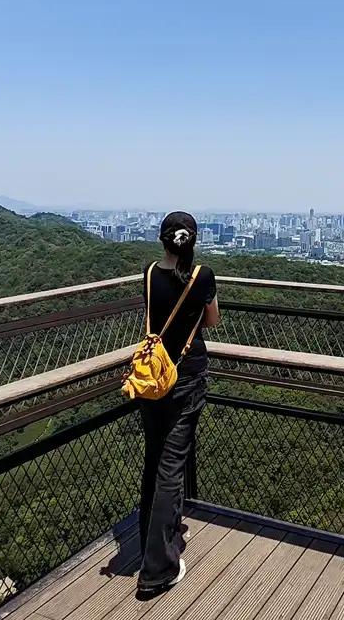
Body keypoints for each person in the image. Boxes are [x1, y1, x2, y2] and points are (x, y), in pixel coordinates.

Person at [136, 211, 220, 597]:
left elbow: (152, 317)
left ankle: (147, 543)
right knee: (173, 465)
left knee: (155, 458)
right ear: (194, 240)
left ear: (162, 240)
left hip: (152, 378)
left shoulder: (150, 273)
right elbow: (212, 321)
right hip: (186, 376)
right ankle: (158, 568)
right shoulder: (202, 276)